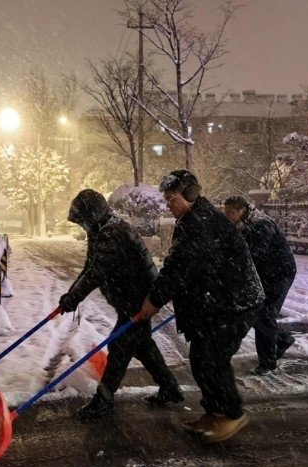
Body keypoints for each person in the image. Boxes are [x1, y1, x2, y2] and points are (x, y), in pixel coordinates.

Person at [140, 171, 265, 443]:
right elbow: (184, 267)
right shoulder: (192, 219)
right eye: (166, 199)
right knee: (200, 358)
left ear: (190, 194)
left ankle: (231, 414)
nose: (168, 205)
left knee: (212, 359)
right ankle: (214, 413)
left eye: (172, 199)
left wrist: (154, 300)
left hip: (237, 302)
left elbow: (179, 267)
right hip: (217, 301)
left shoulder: (201, 222)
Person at [59, 189, 184, 420]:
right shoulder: (101, 230)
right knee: (142, 347)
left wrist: (74, 298)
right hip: (130, 300)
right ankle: (170, 387)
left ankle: (104, 400)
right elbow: (89, 267)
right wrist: (70, 295)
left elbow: (97, 273)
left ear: (93, 215)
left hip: (138, 301)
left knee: (119, 347)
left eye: (84, 221)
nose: (83, 227)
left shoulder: (113, 232)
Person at [223, 196, 297, 376]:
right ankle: (282, 339)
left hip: (280, 274)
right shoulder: (242, 224)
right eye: (225, 212)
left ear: (241, 210)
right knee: (257, 313)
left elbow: (253, 255)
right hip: (264, 274)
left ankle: (268, 364)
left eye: (230, 212)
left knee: (264, 315)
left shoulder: (262, 225)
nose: (227, 216)